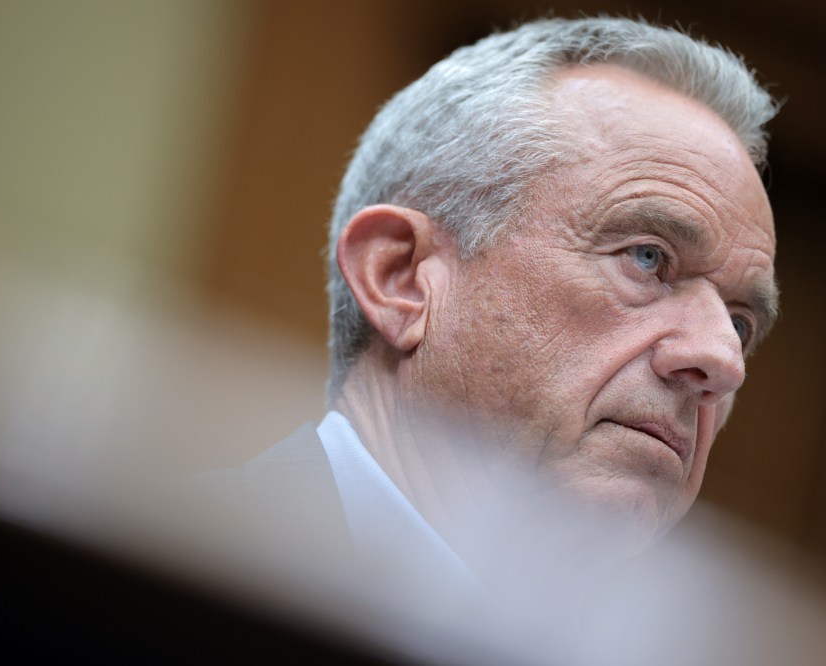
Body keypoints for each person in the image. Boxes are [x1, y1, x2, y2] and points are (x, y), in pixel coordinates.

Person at [213, 14, 779, 612]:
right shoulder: (163, 590)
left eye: (740, 323)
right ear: (400, 278)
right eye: (646, 258)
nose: (723, 360)